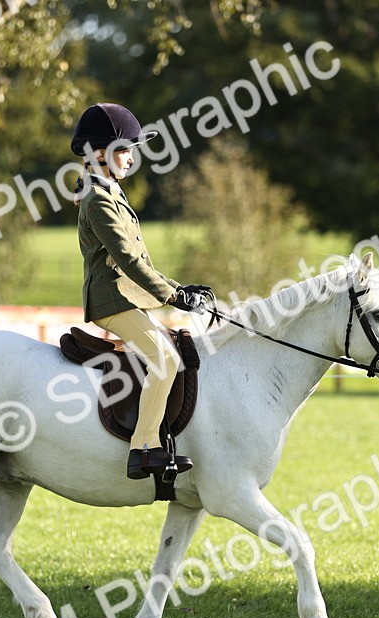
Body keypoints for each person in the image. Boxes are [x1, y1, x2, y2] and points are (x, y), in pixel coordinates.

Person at [71, 102, 211, 480]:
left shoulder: (111, 192)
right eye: (125, 150)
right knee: (165, 359)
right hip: (110, 300)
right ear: (100, 154)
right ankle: (143, 448)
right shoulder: (97, 199)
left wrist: (179, 288)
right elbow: (129, 260)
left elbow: (140, 263)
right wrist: (173, 297)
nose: (132, 158)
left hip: (126, 297)